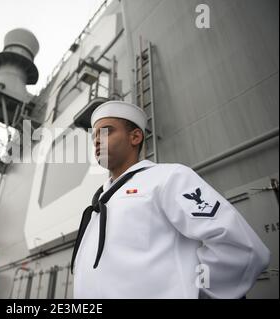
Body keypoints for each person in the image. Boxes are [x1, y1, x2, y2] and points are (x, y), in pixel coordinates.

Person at [71, 100, 270, 299]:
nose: (97, 140)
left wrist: (201, 291)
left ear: (135, 136)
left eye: (106, 132)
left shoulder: (168, 178)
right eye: (95, 136)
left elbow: (238, 246)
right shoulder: (100, 200)